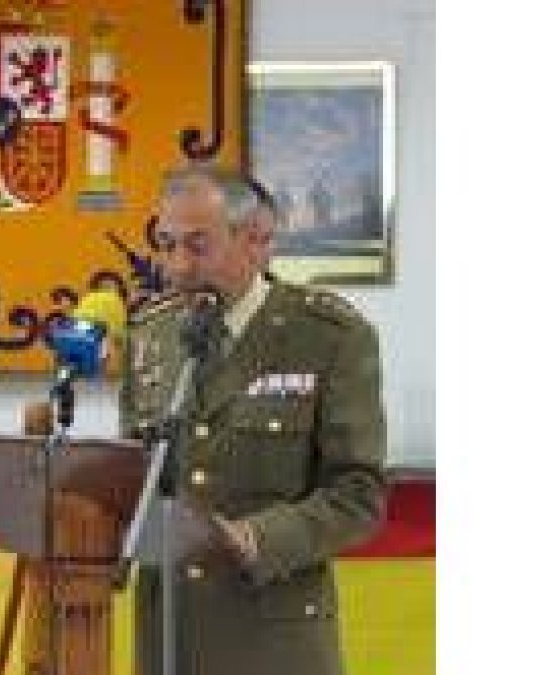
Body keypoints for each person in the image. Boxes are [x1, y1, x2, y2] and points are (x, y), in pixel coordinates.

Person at [119, 166, 387, 675]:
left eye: (198, 246)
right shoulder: (150, 337)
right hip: (168, 636)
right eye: (166, 243)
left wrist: (257, 538)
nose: (177, 265)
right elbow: (137, 476)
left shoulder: (329, 337)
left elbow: (359, 494)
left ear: (258, 242)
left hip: (273, 640)